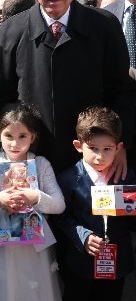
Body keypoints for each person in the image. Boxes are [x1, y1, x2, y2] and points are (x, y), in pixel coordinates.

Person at [0, 0, 136, 182]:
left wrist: (121, 143)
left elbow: (122, 92)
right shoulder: (12, 30)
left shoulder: (103, 26)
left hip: (95, 161)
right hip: (29, 162)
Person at [0, 103, 65, 301]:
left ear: (33, 137)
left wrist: (35, 197)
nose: (15, 143)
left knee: (34, 289)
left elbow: (59, 204)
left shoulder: (41, 164)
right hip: (2, 246)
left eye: (22, 136)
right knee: (5, 288)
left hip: (34, 248)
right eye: (8, 136)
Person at [53, 106, 135, 301]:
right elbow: (60, 216)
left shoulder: (127, 177)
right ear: (78, 146)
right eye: (93, 148)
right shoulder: (68, 179)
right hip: (81, 263)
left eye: (107, 149)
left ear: (118, 148)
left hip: (117, 262)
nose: (100, 156)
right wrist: (83, 236)